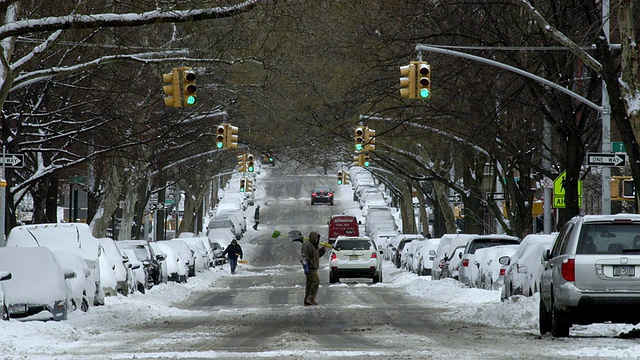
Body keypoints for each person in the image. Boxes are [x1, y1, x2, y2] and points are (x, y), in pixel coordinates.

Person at [300, 231, 326, 306]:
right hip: (310, 268)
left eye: (318, 238)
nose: (317, 240)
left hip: (314, 267)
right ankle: (310, 299)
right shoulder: (307, 245)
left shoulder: (314, 246)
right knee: (316, 282)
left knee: (309, 284)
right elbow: (304, 257)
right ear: (313, 238)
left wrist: (323, 250)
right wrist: (305, 266)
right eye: (316, 238)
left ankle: (307, 301)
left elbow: (316, 256)